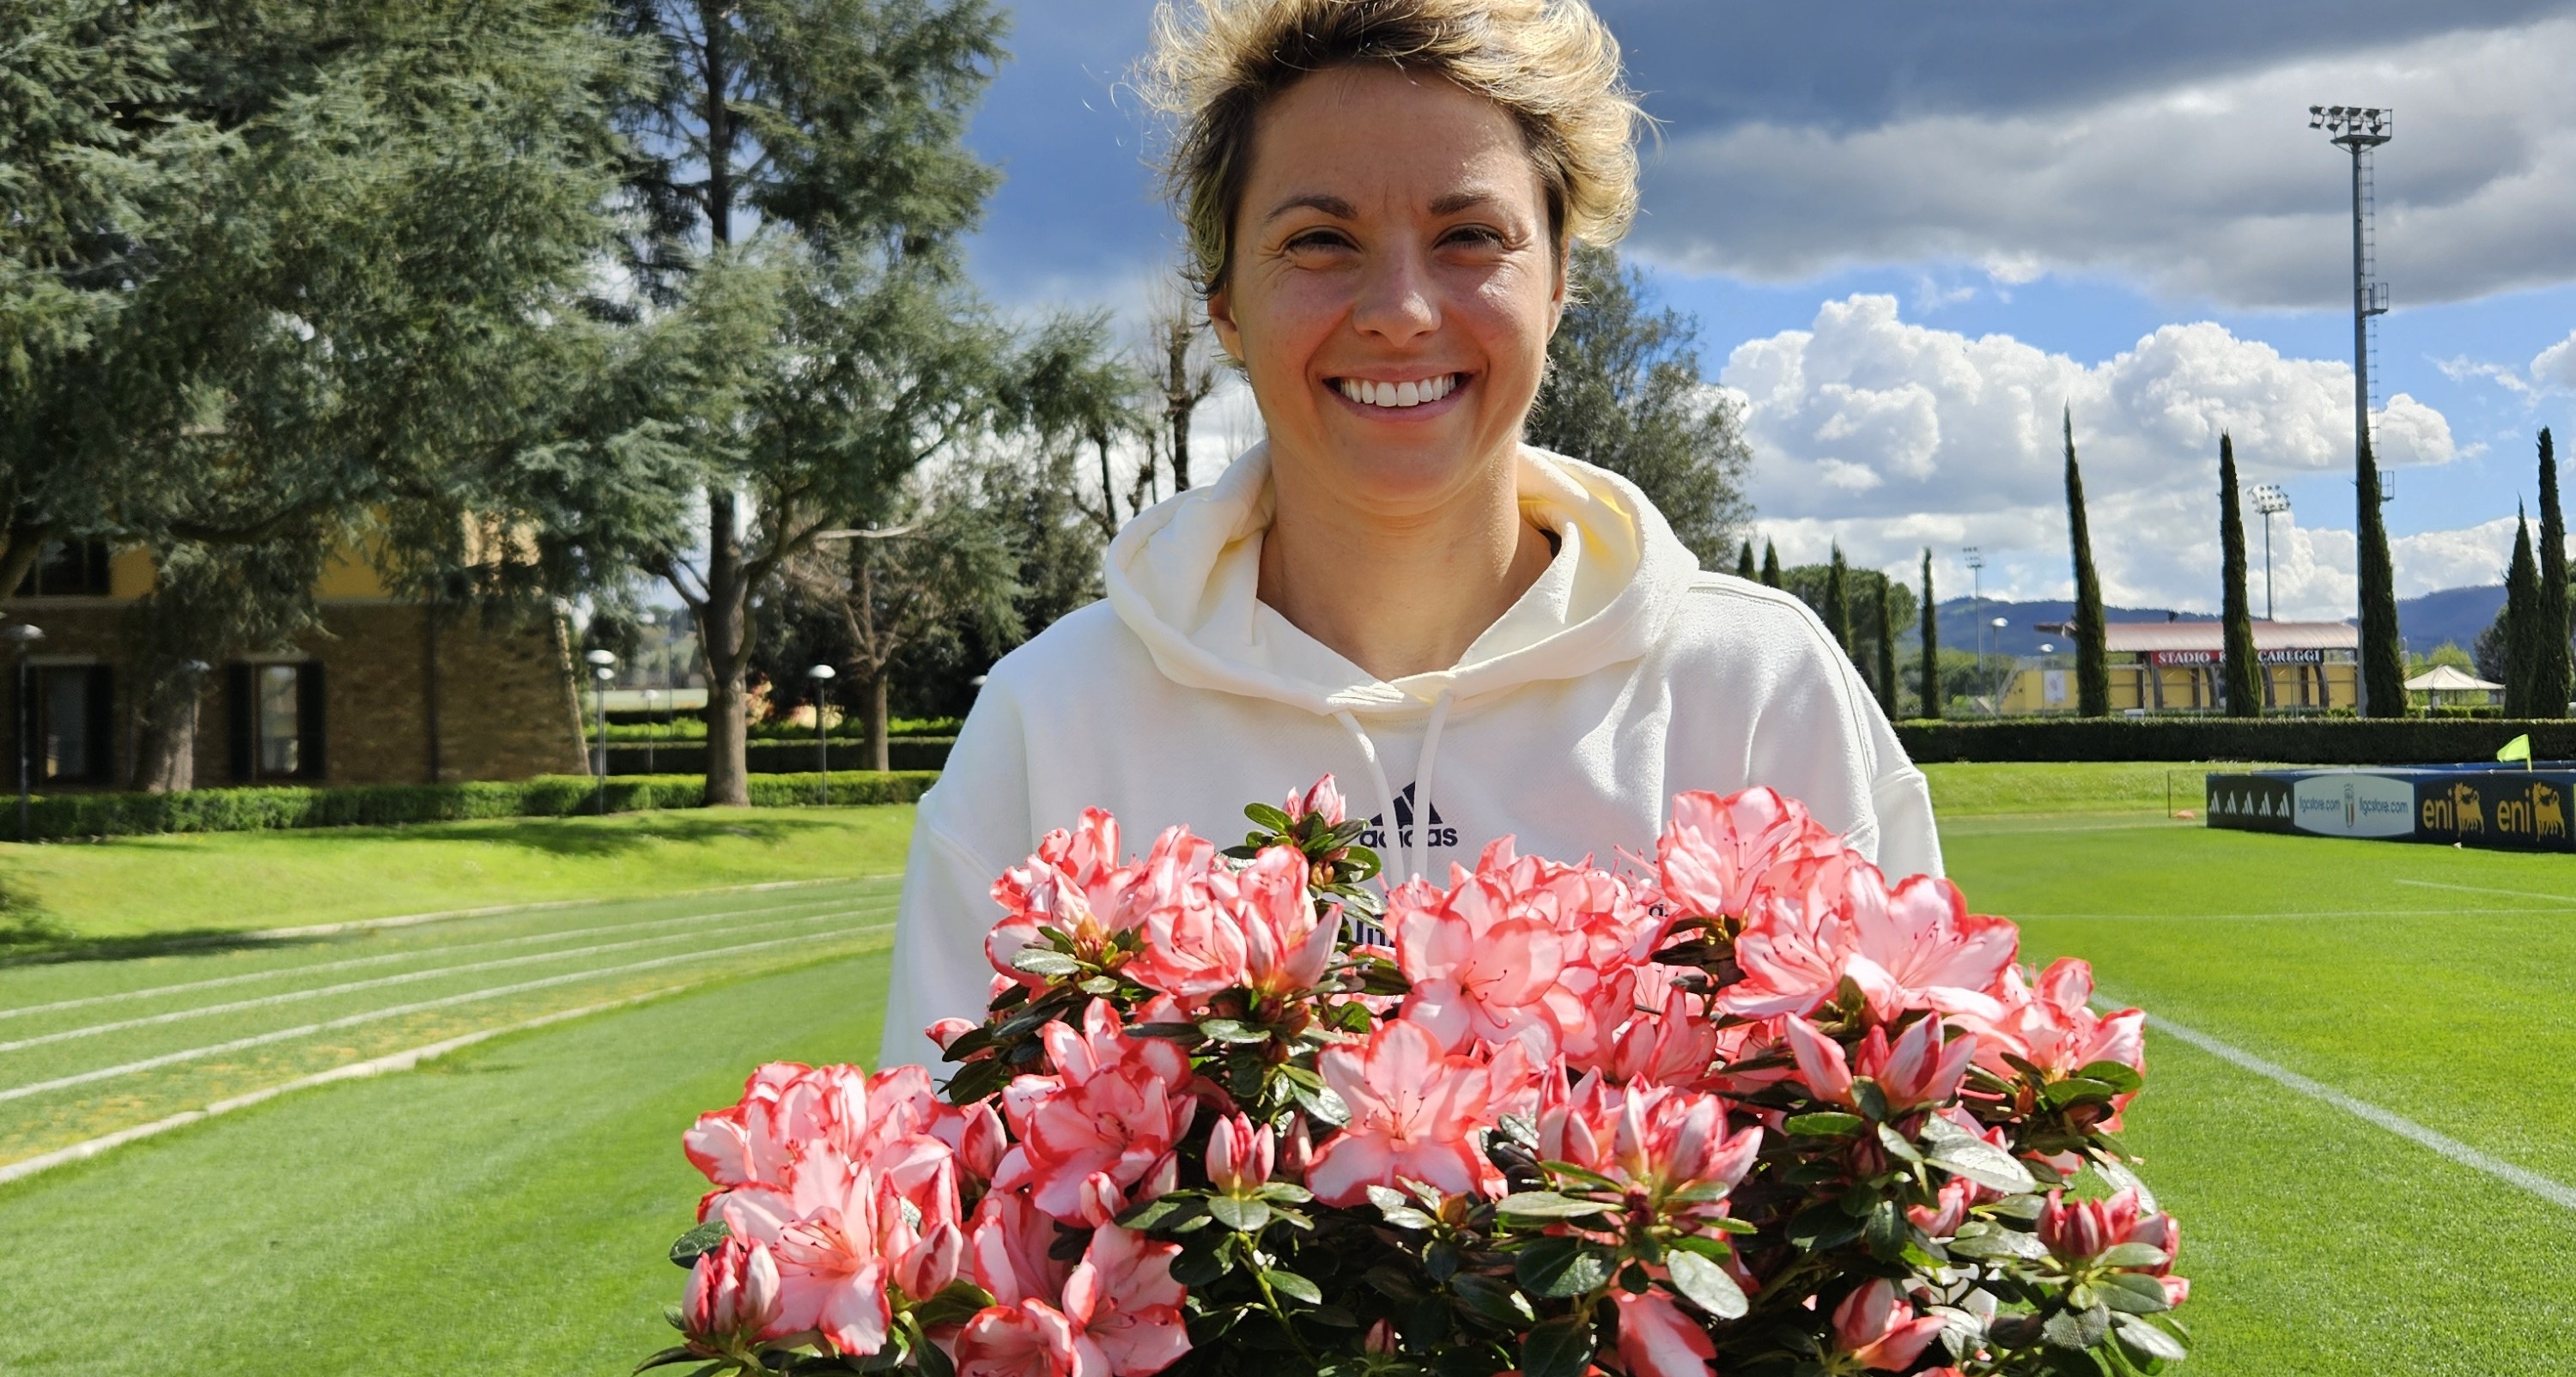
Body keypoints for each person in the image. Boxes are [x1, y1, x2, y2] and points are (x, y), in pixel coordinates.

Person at [878, 0, 1939, 1068]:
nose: (1399, 309)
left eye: (1469, 236)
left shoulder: (1758, 689)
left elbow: (1911, 1148)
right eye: (1319, 240)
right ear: (1226, 304)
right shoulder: (1051, 723)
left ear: (1560, 280)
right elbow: (943, 1191)